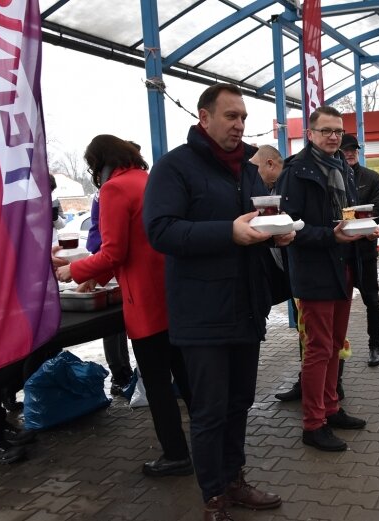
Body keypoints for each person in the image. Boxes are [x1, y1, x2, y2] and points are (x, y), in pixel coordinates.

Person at [144, 83, 289, 520]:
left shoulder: (246, 169)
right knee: (208, 411)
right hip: (201, 312)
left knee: (239, 402)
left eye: (243, 117)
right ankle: (212, 498)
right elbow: (161, 231)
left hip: (246, 306)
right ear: (204, 118)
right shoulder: (175, 167)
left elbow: (252, 224)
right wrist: (228, 231)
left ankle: (234, 479)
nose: (240, 125)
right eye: (231, 116)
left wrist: (273, 231)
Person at [55, 135, 193, 479]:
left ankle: (176, 454)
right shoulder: (148, 180)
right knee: (188, 378)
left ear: (100, 162)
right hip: (174, 296)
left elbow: (115, 251)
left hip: (145, 303)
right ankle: (211, 443)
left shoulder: (115, 190)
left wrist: (73, 270)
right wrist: (97, 277)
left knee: (159, 384)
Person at [278, 105, 379, 452]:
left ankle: (331, 407)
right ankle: (313, 423)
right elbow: (286, 228)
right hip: (314, 272)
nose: (334, 137)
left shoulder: (344, 168)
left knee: (337, 344)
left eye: (337, 130)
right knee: (319, 349)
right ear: (310, 134)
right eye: (326, 131)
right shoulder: (296, 171)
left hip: (343, 266)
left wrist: (362, 231)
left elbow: (345, 217)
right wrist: (331, 236)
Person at [340, 133, 379, 367]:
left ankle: (375, 346)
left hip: (365, 250)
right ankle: (337, 350)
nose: (349, 152)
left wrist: (358, 221)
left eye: (353, 149)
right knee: (337, 304)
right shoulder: (334, 177)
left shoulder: (371, 177)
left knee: (372, 299)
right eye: (345, 149)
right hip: (340, 252)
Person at [86, 189, 134, 397]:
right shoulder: (110, 191)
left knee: (118, 321)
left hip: (107, 259)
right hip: (104, 259)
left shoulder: (111, 188)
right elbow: (111, 245)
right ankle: (119, 373)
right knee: (112, 324)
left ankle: (123, 371)